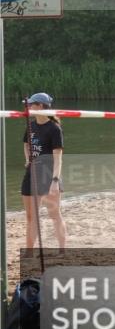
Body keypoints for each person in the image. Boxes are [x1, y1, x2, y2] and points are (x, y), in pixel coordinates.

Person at [22, 92, 66, 255]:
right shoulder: (31, 125)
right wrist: (28, 159)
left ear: (40, 106)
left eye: (31, 104)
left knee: (54, 214)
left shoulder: (54, 129)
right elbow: (26, 144)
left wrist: (55, 180)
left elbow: (58, 158)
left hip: (48, 174)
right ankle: (29, 252)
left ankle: (62, 250)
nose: (28, 107)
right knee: (31, 216)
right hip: (31, 173)